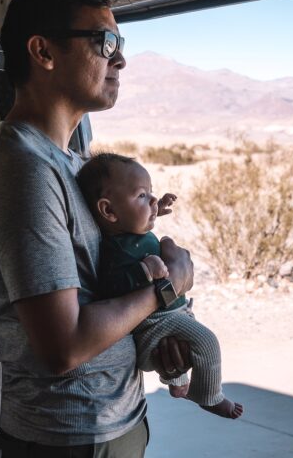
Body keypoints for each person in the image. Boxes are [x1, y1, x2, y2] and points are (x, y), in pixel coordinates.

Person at [0, 0, 194, 457]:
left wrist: (153, 332)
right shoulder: (24, 171)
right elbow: (63, 346)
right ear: (43, 52)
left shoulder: (70, 162)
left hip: (112, 422)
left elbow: (98, 290)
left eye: (120, 43)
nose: (120, 58)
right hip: (68, 436)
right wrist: (164, 288)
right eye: (104, 41)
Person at [77, 152, 244, 419]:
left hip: (170, 312)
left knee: (189, 340)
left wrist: (156, 210)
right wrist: (145, 270)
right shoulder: (115, 249)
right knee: (207, 341)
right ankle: (209, 396)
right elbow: (110, 287)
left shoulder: (131, 232)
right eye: (142, 196)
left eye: (151, 194)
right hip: (154, 323)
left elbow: (137, 220)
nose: (152, 199)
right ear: (109, 210)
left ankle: (179, 385)